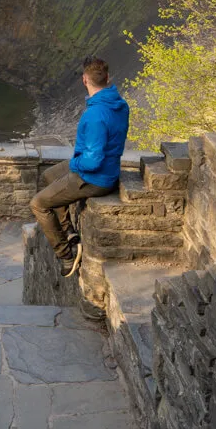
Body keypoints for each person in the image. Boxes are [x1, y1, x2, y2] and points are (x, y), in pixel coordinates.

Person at [30, 55, 129, 277]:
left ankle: (65, 255)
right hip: (108, 168)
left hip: (94, 178)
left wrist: (75, 162)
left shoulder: (95, 115)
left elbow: (92, 162)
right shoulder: (119, 104)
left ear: (85, 80)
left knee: (38, 204)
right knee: (49, 175)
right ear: (107, 78)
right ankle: (68, 231)